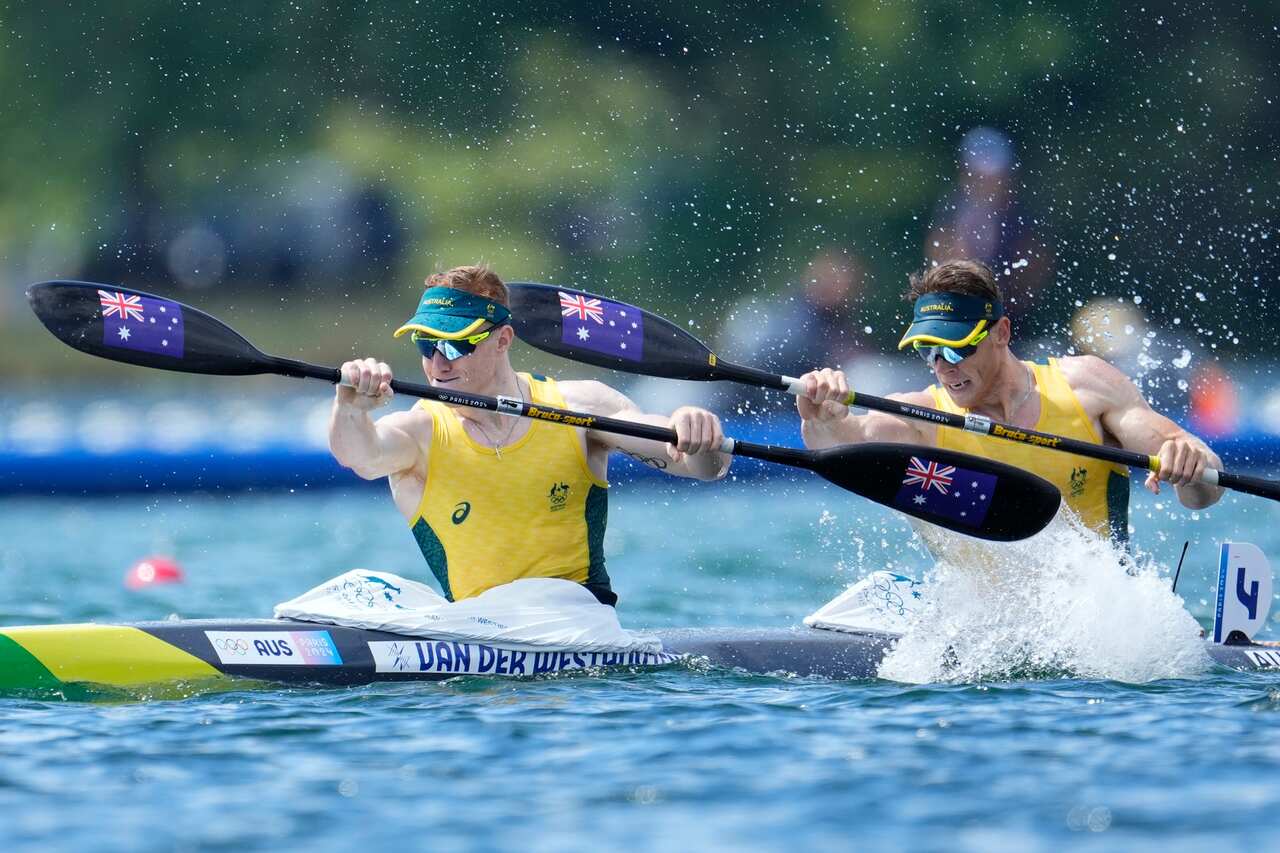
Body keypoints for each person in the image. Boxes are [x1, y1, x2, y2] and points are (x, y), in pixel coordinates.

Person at [329, 265, 730, 606]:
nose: (436, 363)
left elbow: (702, 468)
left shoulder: (580, 407)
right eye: (426, 343)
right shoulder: (420, 431)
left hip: (580, 630)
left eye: (455, 346)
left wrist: (693, 430)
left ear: (503, 339)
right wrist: (349, 407)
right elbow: (359, 456)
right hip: (476, 639)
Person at [795, 259, 1224, 546]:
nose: (942, 365)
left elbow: (1203, 493)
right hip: (984, 646)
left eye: (957, 348)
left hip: (1103, 632)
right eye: (928, 350)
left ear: (1001, 332)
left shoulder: (1086, 387)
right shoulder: (920, 416)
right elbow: (841, 443)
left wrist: (1188, 466)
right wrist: (823, 416)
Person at [925, 128, 1053, 337]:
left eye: (992, 177)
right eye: (978, 177)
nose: (986, 185)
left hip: (1015, 320)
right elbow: (939, 260)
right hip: (961, 316)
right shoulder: (952, 209)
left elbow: (1036, 267)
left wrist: (1003, 298)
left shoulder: (1021, 215)